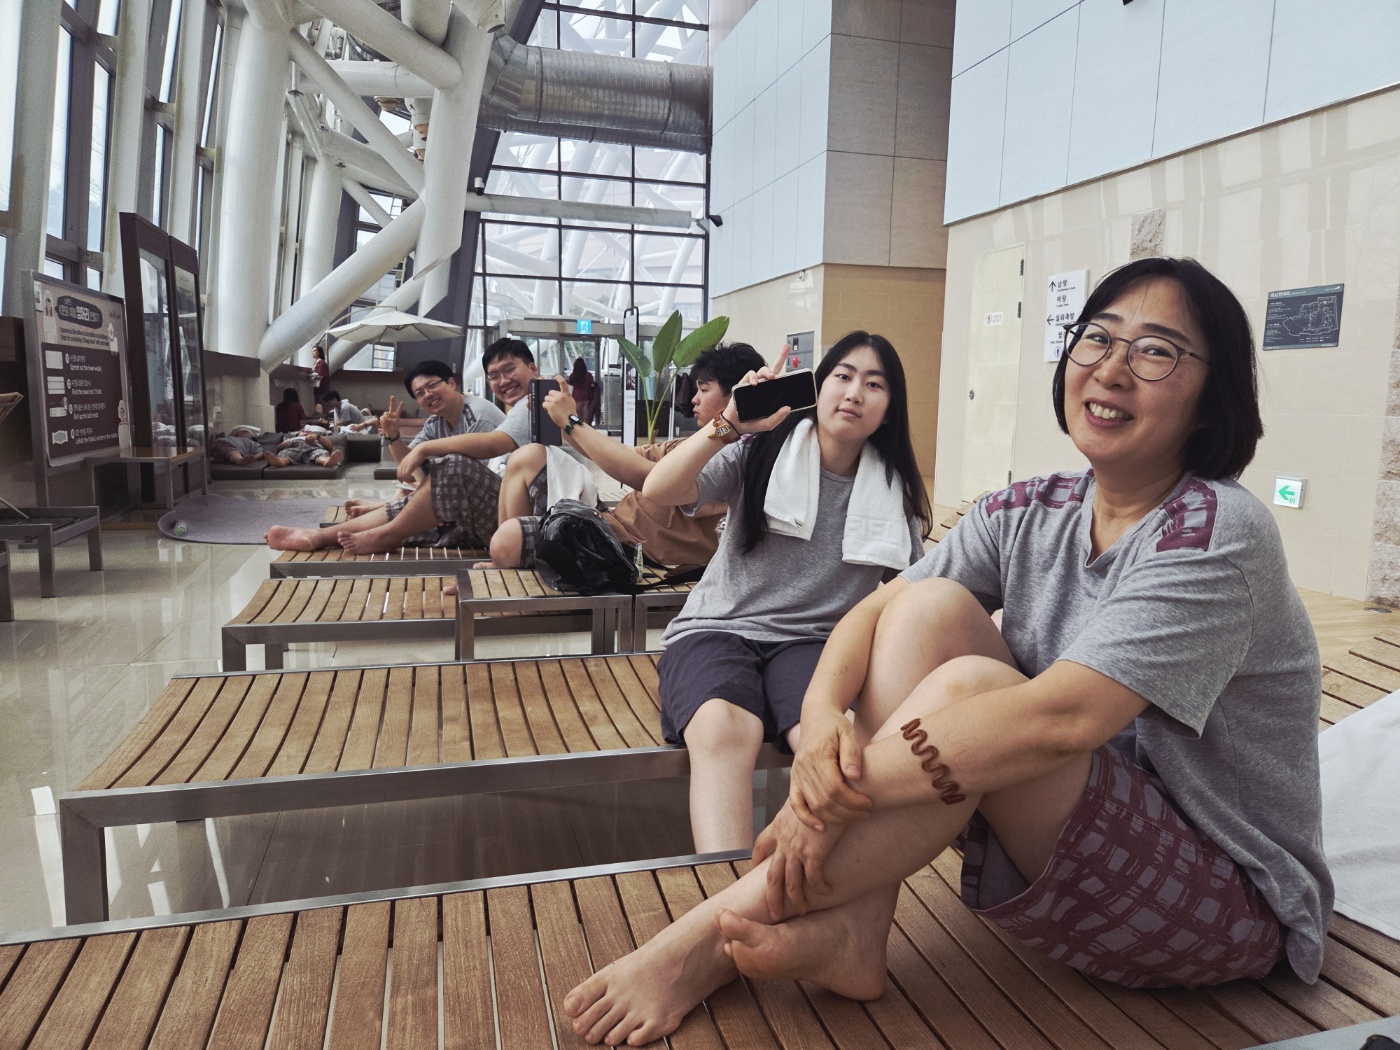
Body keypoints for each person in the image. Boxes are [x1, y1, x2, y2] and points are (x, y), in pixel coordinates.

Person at [560, 258, 1333, 1047]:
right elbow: (877, 607)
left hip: (1218, 899)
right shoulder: (1035, 506)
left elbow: (1063, 720)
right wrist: (822, 722)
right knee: (925, 610)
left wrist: (820, 802)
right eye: (1098, 338)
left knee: (971, 687)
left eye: (1156, 351)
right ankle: (857, 929)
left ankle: (705, 940)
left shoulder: (1215, 533)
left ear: (1212, 395)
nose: (1110, 369)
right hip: (1071, 834)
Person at [640, 332, 930, 856]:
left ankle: (814, 878)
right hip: (717, 629)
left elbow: (915, 592)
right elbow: (660, 490)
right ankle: (730, 883)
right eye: (842, 376)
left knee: (829, 743)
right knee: (724, 729)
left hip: (814, 644)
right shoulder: (762, 449)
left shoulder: (894, 494)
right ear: (818, 387)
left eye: (874, 384)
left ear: (889, 409)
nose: (854, 392)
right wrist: (728, 425)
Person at [488, 343, 766, 572]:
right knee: (528, 456)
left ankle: (507, 571)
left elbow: (646, 478)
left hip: (627, 552)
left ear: (736, 396)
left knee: (508, 541)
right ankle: (506, 566)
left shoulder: (734, 458)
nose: (693, 399)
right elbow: (620, 455)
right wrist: (563, 421)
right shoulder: (691, 445)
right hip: (609, 524)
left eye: (704, 390)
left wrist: (572, 422)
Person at [265, 341, 542, 554]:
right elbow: (409, 468)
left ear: (451, 383)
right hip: (506, 512)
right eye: (420, 393)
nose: (503, 381)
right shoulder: (439, 422)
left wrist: (425, 451)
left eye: (509, 370)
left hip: (523, 521)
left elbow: (486, 455)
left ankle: (385, 532)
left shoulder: (498, 410)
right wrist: (393, 436)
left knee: (452, 470)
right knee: (418, 510)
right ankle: (320, 537)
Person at [209, 426, 289, 467]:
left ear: (252, 436)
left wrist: (255, 457)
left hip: (229, 448)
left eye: (247, 432)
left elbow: (261, 452)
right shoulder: (228, 437)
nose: (244, 433)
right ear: (236, 434)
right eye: (241, 432)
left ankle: (239, 459)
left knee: (232, 452)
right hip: (214, 443)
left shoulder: (254, 444)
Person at [272, 428, 344, 469]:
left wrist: (317, 437)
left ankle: (327, 461)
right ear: (298, 434)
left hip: (314, 448)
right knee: (285, 454)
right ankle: (280, 462)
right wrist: (292, 441)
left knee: (320, 454)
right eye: (303, 431)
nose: (305, 432)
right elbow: (279, 447)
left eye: (308, 431)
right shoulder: (292, 439)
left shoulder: (317, 438)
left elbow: (330, 446)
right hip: (295, 448)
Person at [568, 356, 598, 425]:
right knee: (586, 417)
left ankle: (578, 429)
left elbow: (570, 383)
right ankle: (586, 429)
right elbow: (592, 385)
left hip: (575, 398)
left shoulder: (573, 375)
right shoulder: (588, 375)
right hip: (586, 397)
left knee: (576, 416)